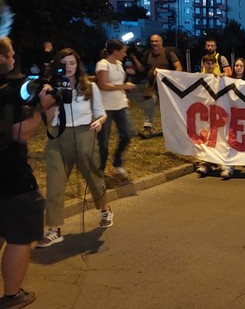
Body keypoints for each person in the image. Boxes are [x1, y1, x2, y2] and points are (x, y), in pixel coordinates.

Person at [0, 37, 57, 309]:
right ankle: (12, 296)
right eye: (10, 54)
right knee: (20, 235)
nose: (14, 58)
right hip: (10, 176)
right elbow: (18, 134)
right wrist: (41, 110)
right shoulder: (4, 92)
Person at [38, 48, 115, 249]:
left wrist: (99, 122)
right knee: (54, 182)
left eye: (72, 63)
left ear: (78, 64)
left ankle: (105, 209)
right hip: (58, 136)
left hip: (84, 134)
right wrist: (51, 96)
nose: (69, 67)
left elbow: (101, 113)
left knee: (93, 177)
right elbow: (44, 117)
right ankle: (54, 229)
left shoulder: (88, 86)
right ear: (58, 65)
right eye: (64, 63)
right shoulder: (50, 87)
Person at [95, 39, 135, 178]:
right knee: (103, 141)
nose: (125, 54)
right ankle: (100, 169)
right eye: (123, 51)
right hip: (105, 107)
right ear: (115, 51)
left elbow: (118, 83)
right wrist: (124, 87)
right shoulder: (102, 64)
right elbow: (104, 85)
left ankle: (117, 161)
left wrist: (124, 96)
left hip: (120, 105)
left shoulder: (119, 64)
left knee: (127, 135)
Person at [140, 34, 183, 139]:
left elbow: (179, 67)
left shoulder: (168, 53)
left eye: (156, 41)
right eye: (152, 41)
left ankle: (172, 130)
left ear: (161, 42)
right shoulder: (148, 54)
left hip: (166, 86)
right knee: (149, 104)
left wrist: (170, 78)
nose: (154, 43)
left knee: (168, 108)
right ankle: (147, 128)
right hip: (152, 84)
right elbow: (142, 68)